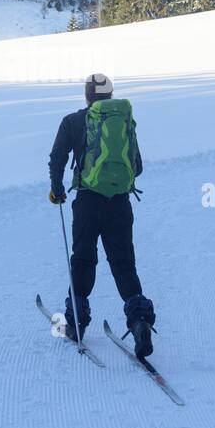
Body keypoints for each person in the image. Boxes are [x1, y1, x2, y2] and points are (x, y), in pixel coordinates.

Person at [48, 73, 157, 358]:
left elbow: (57, 156)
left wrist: (57, 189)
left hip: (87, 203)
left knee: (84, 258)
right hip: (119, 203)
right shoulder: (122, 121)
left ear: (87, 96)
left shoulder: (73, 121)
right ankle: (139, 320)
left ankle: (76, 323)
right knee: (123, 263)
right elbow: (138, 166)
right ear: (110, 95)